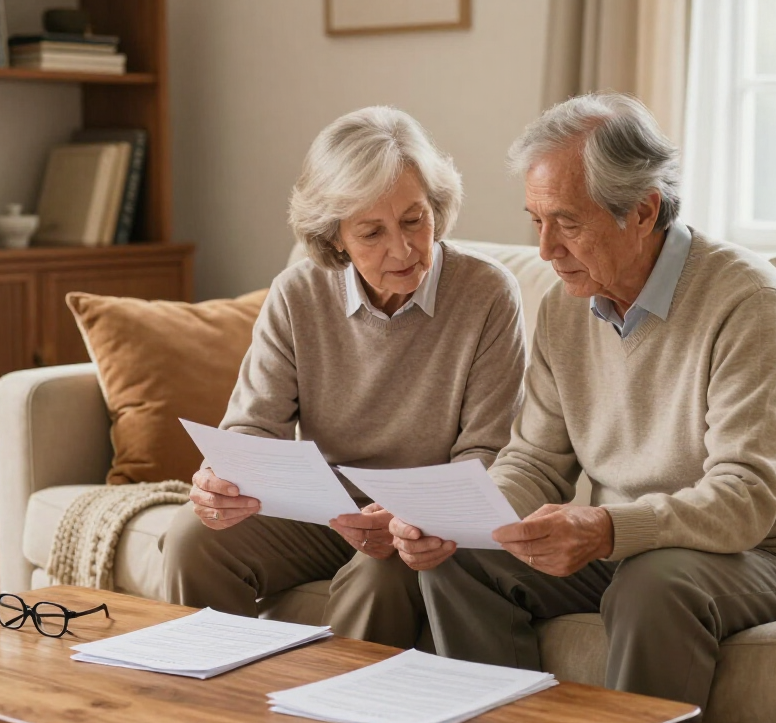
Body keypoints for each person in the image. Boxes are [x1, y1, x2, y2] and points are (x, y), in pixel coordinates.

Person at [389, 93, 776, 723]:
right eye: (533, 219)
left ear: (644, 211)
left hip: (773, 553)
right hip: (627, 541)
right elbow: (534, 458)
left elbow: (743, 500)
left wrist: (605, 527)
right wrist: (463, 519)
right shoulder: (566, 307)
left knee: (654, 582)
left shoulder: (745, 298)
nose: (543, 247)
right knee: (460, 566)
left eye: (564, 221)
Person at [162, 106, 526, 648]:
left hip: (419, 520)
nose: (402, 249)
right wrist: (223, 481)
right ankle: (219, 715)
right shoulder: (297, 294)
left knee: (379, 575)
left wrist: (413, 514)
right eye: (372, 232)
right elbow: (250, 428)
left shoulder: (487, 294)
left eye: (414, 219)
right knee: (193, 539)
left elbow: (487, 451)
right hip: (321, 511)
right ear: (335, 239)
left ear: (437, 209)